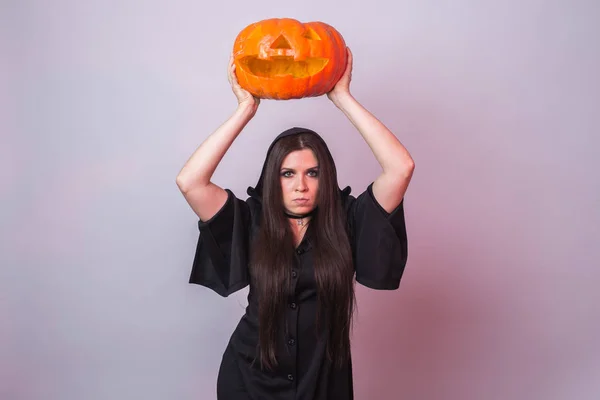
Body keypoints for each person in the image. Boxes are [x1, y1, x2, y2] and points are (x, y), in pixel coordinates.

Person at [176, 47, 415, 400]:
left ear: (325, 177)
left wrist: (343, 97)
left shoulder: (347, 219)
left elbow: (401, 167)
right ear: (274, 178)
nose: (300, 185)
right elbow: (190, 181)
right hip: (249, 378)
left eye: (312, 173)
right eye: (288, 174)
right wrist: (246, 109)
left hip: (323, 379)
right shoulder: (250, 218)